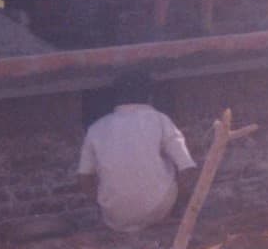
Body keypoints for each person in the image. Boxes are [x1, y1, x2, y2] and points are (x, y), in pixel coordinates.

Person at [77, 70, 198, 232]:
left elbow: (84, 178)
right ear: (150, 96)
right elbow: (187, 168)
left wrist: (103, 203)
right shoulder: (160, 120)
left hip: (115, 215)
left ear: (116, 98)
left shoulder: (96, 128)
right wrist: (175, 204)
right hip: (161, 210)